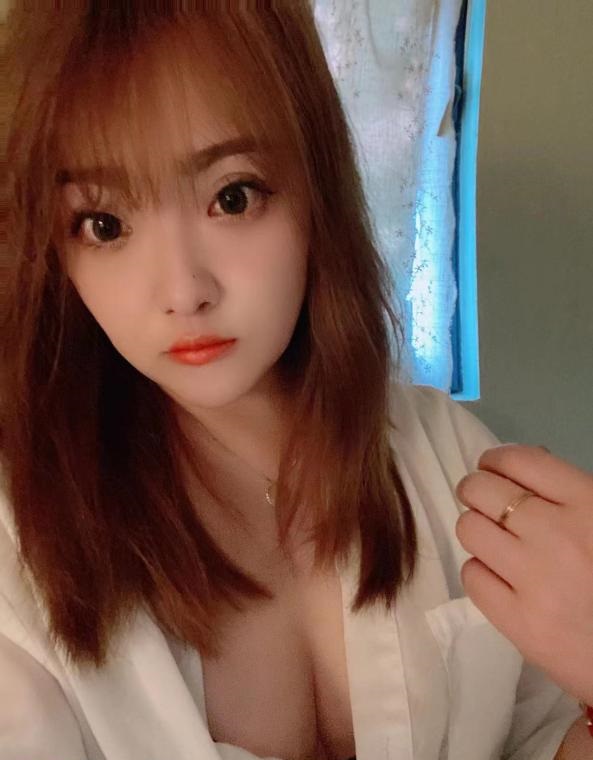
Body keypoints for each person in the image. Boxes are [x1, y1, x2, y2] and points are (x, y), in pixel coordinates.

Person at [0, 3, 590, 759]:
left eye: (232, 196)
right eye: (104, 224)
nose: (183, 292)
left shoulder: (446, 455)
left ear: (316, 191)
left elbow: (538, 735)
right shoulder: (22, 544)